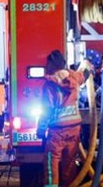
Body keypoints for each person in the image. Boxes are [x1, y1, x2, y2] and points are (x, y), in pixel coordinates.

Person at [40, 51, 85, 187]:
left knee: (51, 162)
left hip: (57, 131)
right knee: (70, 163)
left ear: (51, 65)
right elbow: (85, 75)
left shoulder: (50, 85)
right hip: (74, 129)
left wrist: (40, 129)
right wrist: (88, 65)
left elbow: (46, 111)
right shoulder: (74, 78)